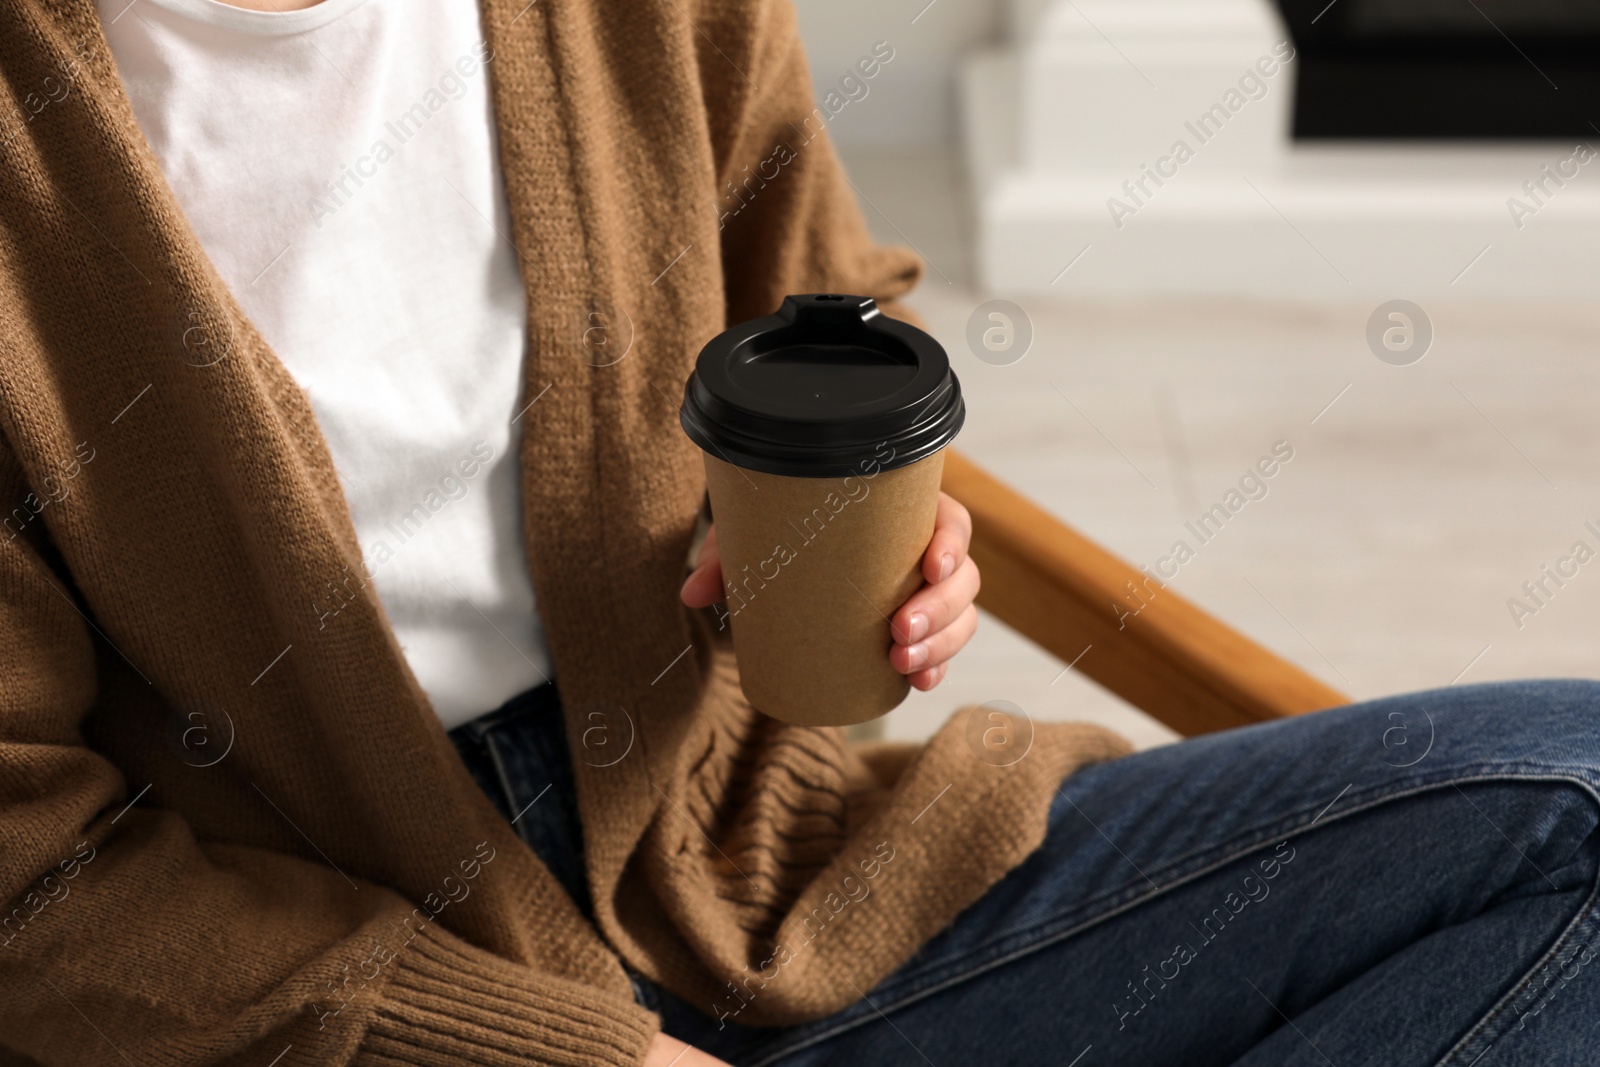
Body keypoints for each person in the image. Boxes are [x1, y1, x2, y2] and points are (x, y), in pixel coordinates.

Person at [1, 0, 1597, 1064]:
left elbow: (824, 320)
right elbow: (29, 883)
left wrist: (864, 545)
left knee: (1574, 808)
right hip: (327, 992)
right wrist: (563, 1051)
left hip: (762, 871)